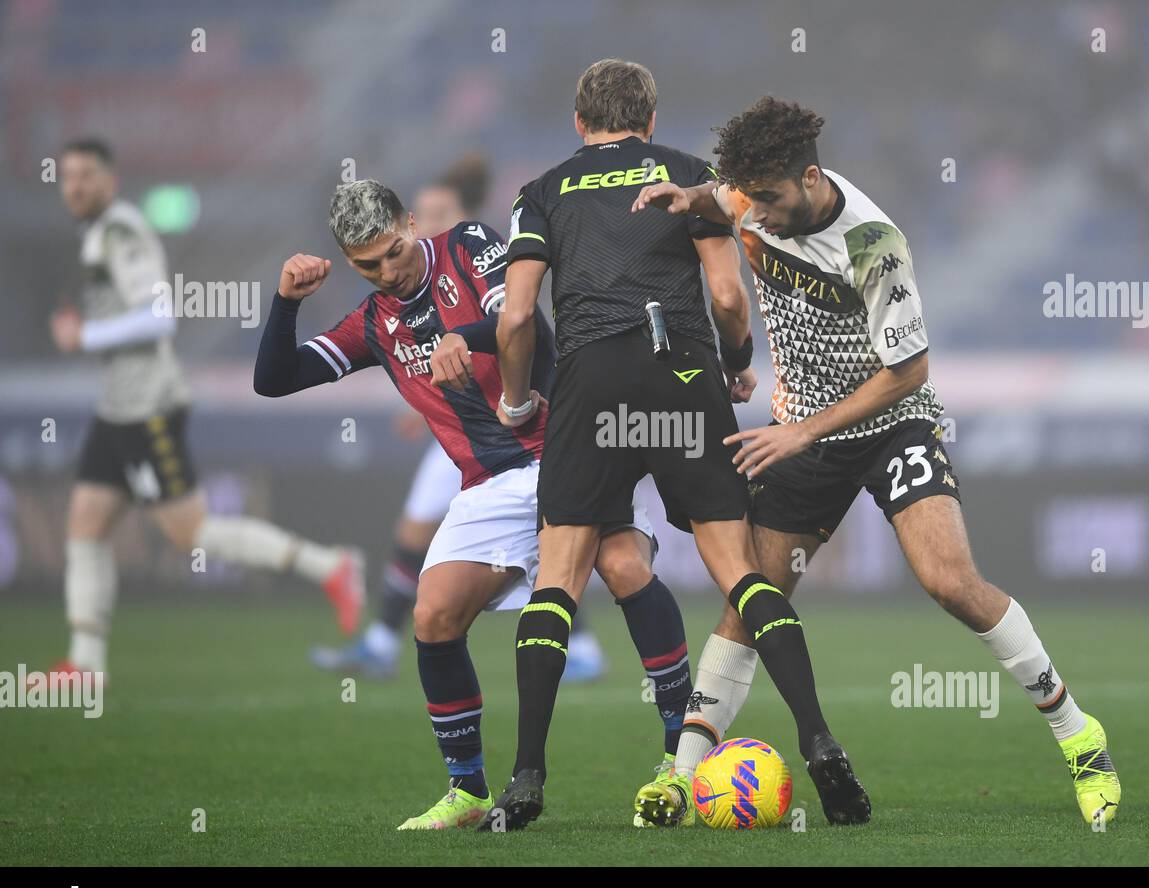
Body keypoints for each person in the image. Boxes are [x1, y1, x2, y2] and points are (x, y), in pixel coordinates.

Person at [633, 96, 1120, 825]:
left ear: (808, 176)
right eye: (747, 198)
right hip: (803, 434)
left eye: (767, 198)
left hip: (892, 424)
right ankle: (680, 774)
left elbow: (910, 371)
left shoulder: (874, 245)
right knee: (753, 602)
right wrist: (694, 194)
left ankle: (1081, 738)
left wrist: (800, 433)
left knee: (950, 581)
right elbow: (724, 192)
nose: (754, 215)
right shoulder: (746, 195)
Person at [491, 60, 871, 831]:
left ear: (578, 122)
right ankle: (821, 740)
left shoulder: (540, 194)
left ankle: (526, 777)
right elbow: (729, 296)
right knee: (742, 574)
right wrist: (734, 367)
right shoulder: (691, 177)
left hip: (591, 379)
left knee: (558, 579)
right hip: (682, 371)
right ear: (651, 120)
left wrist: (518, 398)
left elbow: (518, 319)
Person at [254, 179, 694, 830]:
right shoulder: (375, 323)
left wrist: (466, 335)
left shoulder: (468, 245)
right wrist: (285, 303)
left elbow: (521, 322)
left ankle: (678, 761)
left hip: (568, 444)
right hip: (489, 484)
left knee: (628, 569)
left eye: (393, 252)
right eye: (365, 265)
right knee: (432, 616)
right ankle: (468, 792)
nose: (386, 272)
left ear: (411, 225)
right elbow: (275, 379)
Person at [36, 139, 363, 687]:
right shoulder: (96, 234)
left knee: (192, 533)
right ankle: (85, 662)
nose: (74, 186)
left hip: (147, 409)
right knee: (85, 525)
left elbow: (160, 317)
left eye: (86, 175)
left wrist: (84, 335)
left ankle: (331, 566)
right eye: (67, 176)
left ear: (110, 180)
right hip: (117, 409)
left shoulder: (120, 229)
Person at [312, 154, 607, 681]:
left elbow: (515, 328)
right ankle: (384, 639)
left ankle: (579, 645)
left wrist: (517, 395)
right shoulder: (399, 300)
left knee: (563, 542)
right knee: (421, 531)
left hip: (525, 431)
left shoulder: (472, 251)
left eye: (435, 211)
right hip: (465, 439)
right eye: (421, 209)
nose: (426, 220)